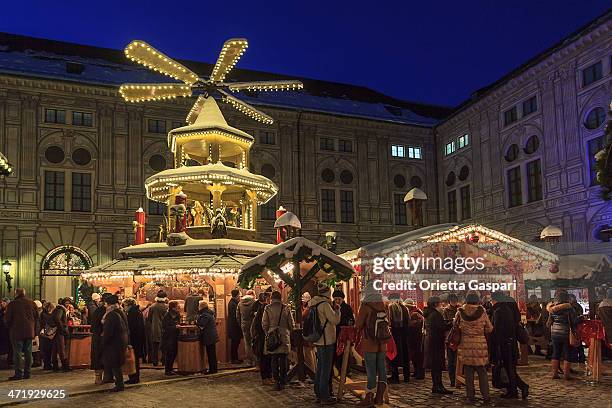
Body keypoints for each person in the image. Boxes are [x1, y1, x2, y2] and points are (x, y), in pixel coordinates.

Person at [355, 281, 390, 407]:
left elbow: (358, 325)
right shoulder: (383, 304)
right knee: (382, 370)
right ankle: (379, 398)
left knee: (371, 371)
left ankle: (369, 398)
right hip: (382, 343)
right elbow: (388, 322)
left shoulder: (365, 306)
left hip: (369, 342)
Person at [456, 292, 493, 403]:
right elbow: (489, 328)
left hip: (465, 343)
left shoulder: (460, 312)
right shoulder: (482, 312)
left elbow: (456, 326)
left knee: (468, 371)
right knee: (482, 371)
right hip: (480, 344)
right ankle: (486, 396)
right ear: (477, 300)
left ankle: (470, 396)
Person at [490, 292, 528, 399]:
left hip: (505, 344)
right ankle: (516, 389)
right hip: (510, 342)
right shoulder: (506, 309)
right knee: (510, 368)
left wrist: (495, 342)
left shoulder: (499, 311)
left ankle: (517, 389)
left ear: (495, 300)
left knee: (509, 369)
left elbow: (498, 330)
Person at [309, 282, 340, 405]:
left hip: (318, 339)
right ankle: (324, 396)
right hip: (327, 340)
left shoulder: (313, 303)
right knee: (326, 369)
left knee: (320, 368)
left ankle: (318, 393)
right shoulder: (325, 305)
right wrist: (337, 310)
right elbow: (335, 320)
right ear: (328, 292)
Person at [262, 291, 294, 391]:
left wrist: (268, 332)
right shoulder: (286, 308)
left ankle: (276, 381)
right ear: (280, 298)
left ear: (272, 298)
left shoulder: (267, 308)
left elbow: (264, 323)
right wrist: (290, 332)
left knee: (274, 359)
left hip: (272, 335)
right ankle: (283, 380)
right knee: (283, 359)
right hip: (284, 335)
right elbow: (291, 323)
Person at [4, 288, 38, 380]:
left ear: (16, 294)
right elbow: (36, 317)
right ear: (24, 293)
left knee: (17, 353)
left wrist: (9, 327)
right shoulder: (32, 303)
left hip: (16, 332)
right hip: (29, 332)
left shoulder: (12, 304)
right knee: (28, 353)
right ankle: (28, 373)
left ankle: (18, 374)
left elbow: (7, 319)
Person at [423, 296, 453, 395]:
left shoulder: (430, 314)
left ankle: (437, 385)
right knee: (437, 366)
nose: (441, 305)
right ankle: (438, 386)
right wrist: (452, 323)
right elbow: (442, 327)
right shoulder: (435, 314)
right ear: (435, 304)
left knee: (435, 366)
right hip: (436, 343)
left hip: (431, 342)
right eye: (440, 303)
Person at [547, 290, 579, 380]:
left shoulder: (552, 309)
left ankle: (554, 374)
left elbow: (548, 322)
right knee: (567, 353)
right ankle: (566, 375)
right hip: (566, 333)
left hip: (554, 333)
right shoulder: (569, 308)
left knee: (556, 353)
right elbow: (574, 321)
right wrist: (579, 319)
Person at [101, 295, 128, 392]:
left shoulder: (111, 314)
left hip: (114, 343)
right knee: (117, 363)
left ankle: (119, 384)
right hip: (121, 341)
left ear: (108, 304)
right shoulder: (120, 311)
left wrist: (103, 341)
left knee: (115, 364)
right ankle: (119, 383)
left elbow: (108, 331)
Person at [387, 292, 409, 384]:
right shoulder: (405, 308)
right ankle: (406, 376)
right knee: (405, 355)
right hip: (405, 334)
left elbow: (389, 321)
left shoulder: (392, 307)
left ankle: (395, 376)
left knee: (394, 354)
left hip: (395, 335)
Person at [251, 292, 273, 384]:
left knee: (267, 357)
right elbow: (260, 324)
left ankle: (268, 377)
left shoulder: (263, 308)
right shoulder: (264, 308)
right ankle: (265, 377)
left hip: (262, 335)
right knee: (265, 357)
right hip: (262, 336)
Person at [124, 298, 145, 384]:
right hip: (138, 339)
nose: (124, 307)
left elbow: (131, 328)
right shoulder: (137, 312)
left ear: (129, 305)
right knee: (135, 359)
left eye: (124, 305)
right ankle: (134, 377)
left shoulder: (132, 314)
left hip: (134, 340)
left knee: (134, 359)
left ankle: (134, 378)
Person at [91, 293, 111, 384]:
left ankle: (100, 378)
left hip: (97, 337)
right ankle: (102, 378)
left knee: (99, 357)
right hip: (102, 337)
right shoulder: (107, 312)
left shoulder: (98, 311)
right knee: (102, 357)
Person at [196, 300, 219, 374]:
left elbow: (202, 324)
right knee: (212, 353)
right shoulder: (209, 313)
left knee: (211, 353)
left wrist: (196, 320)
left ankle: (212, 370)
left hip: (209, 336)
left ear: (201, 307)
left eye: (198, 306)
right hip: (211, 335)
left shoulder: (205, 314)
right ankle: (213, 369)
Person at [405, 299, 425, 380]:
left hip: (417, 337)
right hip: (413, 336)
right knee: (414, 355)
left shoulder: (416, 313)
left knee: (418, 355)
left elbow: (419, 324)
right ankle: (416, 371)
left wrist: (409, 323)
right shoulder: (413, 312)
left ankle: (420, 373)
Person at [147, 290, 168, 366]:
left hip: (155, 328)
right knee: (164, 347)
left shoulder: (152, 306)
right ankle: (164, 361)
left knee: (155, 346)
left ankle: (154, 361)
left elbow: (149, 318)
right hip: (164, 329)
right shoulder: (166, 307)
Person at [443, 293, 460, 387]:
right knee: (451, 359)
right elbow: (444, 323)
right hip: (449, 337)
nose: (454, 302)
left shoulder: (460, 309)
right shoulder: (446, 310)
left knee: (459, 359)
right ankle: (452, 380)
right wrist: (452, 322)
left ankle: (459, 378)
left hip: (459, 337)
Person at [237, 289, 257, 366]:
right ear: (252, 295)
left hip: (244, 324)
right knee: (254, 342)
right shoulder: (255, 302)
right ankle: (255, 360)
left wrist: (241, 323)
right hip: (253, 324)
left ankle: (249, 361)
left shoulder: (240, 303)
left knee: (247, 343)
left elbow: (237, 316)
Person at [161, 300, 181, 375]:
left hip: (175, 336)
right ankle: (167, 370)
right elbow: (165, 327)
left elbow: (178, 323)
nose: (178, 307)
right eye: (177, 306)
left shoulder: (177, 314)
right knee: (169, 353)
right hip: (168, 337)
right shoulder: (167, 315)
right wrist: (175, 327)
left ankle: (170, 368)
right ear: (173, 308)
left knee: (174, 353)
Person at [49, 299, 69, 372]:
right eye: (67, 303)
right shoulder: (60, 309)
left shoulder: (58, 309)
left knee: (55, 348)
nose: (68, 304)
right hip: (59, 332)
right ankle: (64, 366)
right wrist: (62, 328)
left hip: (56, 331)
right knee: (61, 348)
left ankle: (55, 366)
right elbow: (57, 319)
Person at [227, 289, 243, 364]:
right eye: (239, 295)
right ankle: (234, 359)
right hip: (234, 326)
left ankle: (235, 358)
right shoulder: (233, 304)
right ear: (237, 295)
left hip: (233, 326)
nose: (240, 296)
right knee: (235, 343)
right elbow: (235, 316)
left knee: (235, 343)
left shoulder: (232, 302)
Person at [597, 288, 612, 361]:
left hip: (604, 329)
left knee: (606, 343)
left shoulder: (601, 304)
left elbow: (598, 317)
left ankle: (606, 356)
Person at [39, 301, 54, 371]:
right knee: (47, 350)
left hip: (45, 334)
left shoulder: (43, 314)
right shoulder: (45, 315)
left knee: (47, 350)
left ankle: (47, 364)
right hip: (46, 334)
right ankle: (47, 364)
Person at [31, 300, 43, 368]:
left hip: (37, 332)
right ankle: (38, 361)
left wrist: (36, 333)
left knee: (36, 348)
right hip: (38, 332)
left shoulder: (37, 313)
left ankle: (37, 361)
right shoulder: (40, 313)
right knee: (37, 347)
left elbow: (37, 324)